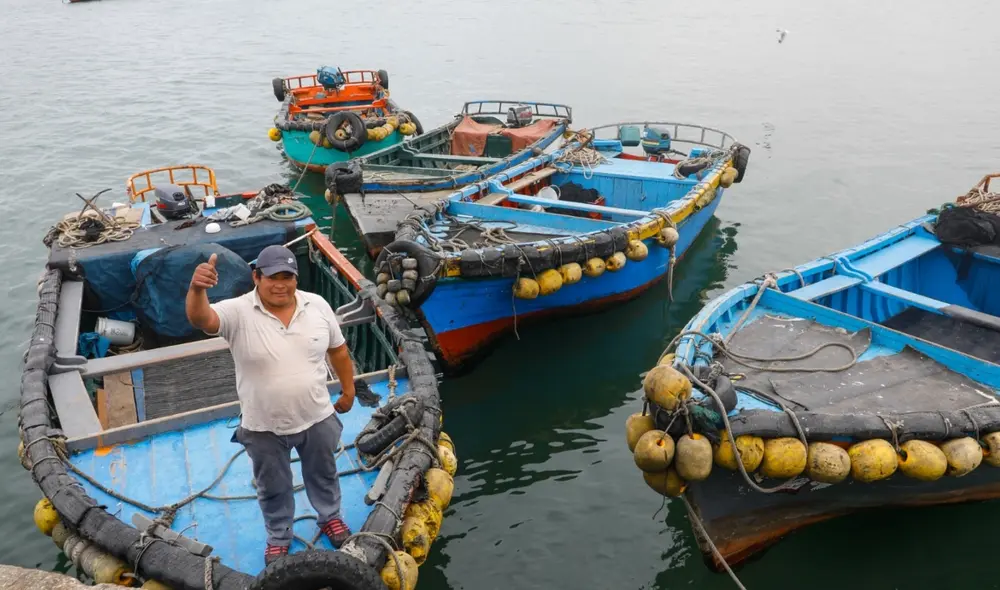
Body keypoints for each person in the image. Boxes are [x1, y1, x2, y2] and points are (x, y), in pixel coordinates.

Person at [185, 244, 356, 565]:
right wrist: (197, 289)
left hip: (318, 416)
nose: (281, 284)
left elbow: (339, 351)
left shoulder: (317, 305)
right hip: (263, 426)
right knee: (272, 486)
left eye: (287, 276)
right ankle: (279, 534)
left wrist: (348, 390)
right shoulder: (237, 311)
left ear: (296, 278)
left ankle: (330, 516)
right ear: (256, 277)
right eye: (272, 277)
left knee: (324, 474)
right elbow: (201, 319)